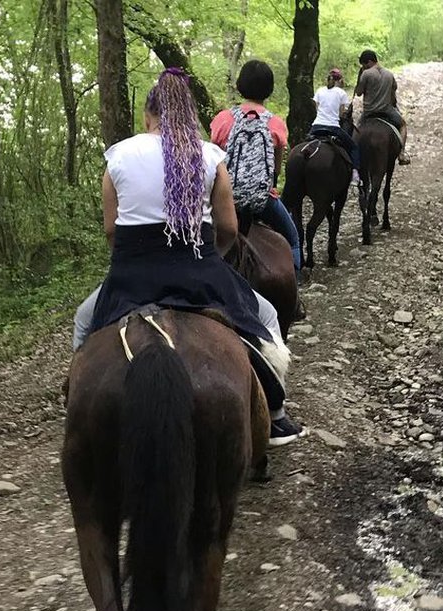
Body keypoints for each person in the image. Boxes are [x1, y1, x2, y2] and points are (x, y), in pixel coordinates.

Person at [73, 68, 304, 446]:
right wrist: (209, 257)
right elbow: (228, 228)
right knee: (266, 316)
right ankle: (276, 415)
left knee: (84, 322)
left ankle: (78, 414)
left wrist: (129, 261)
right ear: (188, 115)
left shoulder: (118, 157)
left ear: (147, 116)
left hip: (133, 277)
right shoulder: (210, 156)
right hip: (200, 274)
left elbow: (112, 231)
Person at [210, 60, 303, 283]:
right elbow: (276, 168)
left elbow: (213, 159)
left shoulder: (223, 119)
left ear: (241, 85)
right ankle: (296, 294)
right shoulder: (276, 124)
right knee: (293, 239)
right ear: (269, 88)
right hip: (262, 201)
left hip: (226, 198)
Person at [355, 50, 410, 165]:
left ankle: (353, 160)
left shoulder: (366, 74)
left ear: (369, 62)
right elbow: (393, 90)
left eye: (364, 65)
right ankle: (402, 154)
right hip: (387, 111)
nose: (363, 67)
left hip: (369, 113)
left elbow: (359, 93)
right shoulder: (389, 74)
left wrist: (360, 77)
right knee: (403, 125)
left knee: (355, 132)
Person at [310, 68, 360, 185]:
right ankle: (355, 173)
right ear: (340, 80)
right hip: (333, 127)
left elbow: (317, 108)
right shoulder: (341, 93)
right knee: (353, 147)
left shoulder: (320, 90)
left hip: (316, 126)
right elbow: (341, 114)